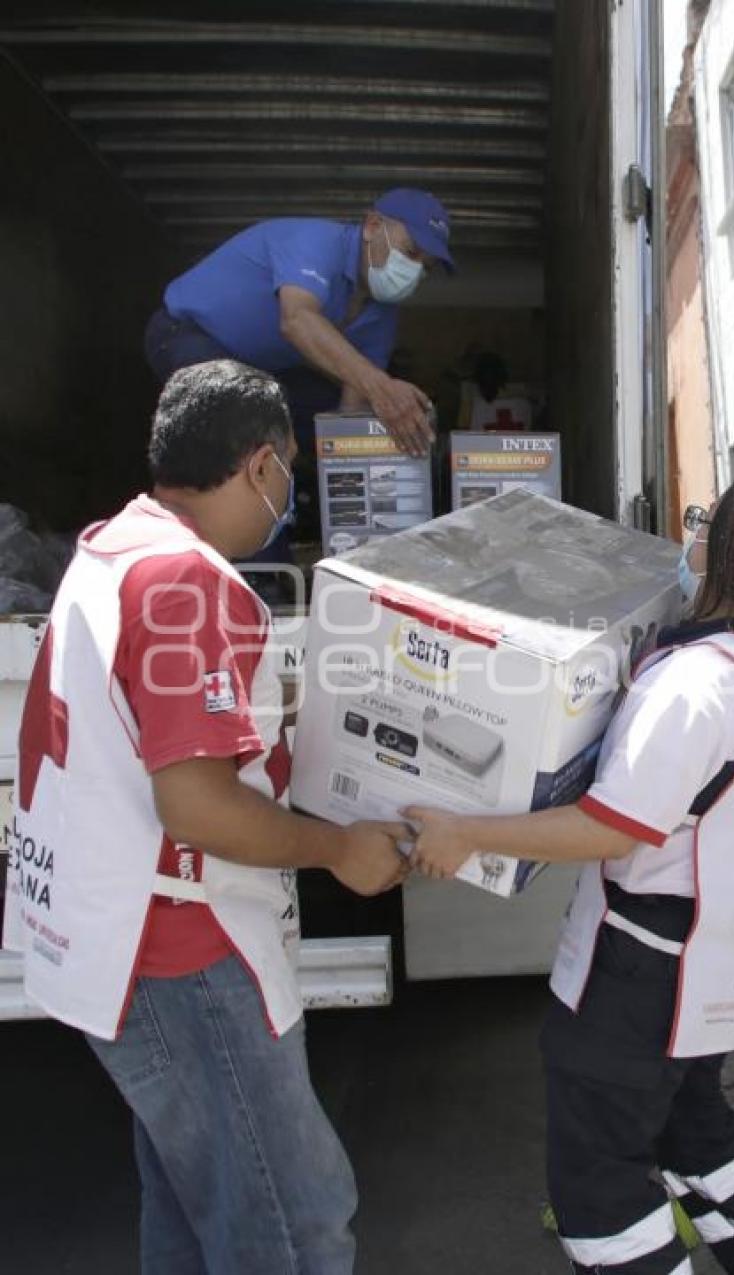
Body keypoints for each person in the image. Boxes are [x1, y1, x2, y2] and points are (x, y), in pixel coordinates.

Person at [2, 360, 409, 1275]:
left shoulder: (111, 552)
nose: (288, 492)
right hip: (186, 954)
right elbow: (193, 803)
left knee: (196, 1216)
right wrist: (339, 848)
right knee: (294, 1225)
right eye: (290, 468)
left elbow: (152, 730)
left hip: (114, 944)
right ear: (262, 465)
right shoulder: (189, 583)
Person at [405, 471, 734, 1274]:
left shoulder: (699, 681)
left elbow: (613, 827)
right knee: (698, 1137)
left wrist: (465, 830)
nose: (693, 529)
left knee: (598, 1196)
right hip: (702, 971)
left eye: (707, 517)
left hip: (641, 979)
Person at [145, 189, 455, 460]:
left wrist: (347, 455)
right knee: (235, 411)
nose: (414, 271)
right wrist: (384, 388)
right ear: (373, 227)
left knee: (320, 413)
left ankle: (311, 507)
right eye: (410, 252)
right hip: (187, 334)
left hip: (261, 370)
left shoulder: (382, 313)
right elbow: (297, 320)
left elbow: (353, 396)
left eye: (425, 267)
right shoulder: (316, 242)